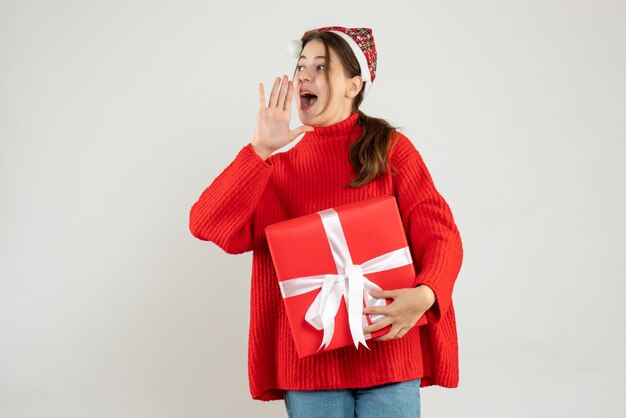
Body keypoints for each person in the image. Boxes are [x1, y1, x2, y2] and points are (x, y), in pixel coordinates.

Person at [189, 26, 463, 418]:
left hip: (388, 352)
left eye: (320, 67)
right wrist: (260, 150)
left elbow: (440, 234)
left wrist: (427, 294)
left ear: (354, 85)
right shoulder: (275, 168)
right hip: (309, 370)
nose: (304, 76)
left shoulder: (391, 151)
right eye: (301, 66)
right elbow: (206, 223)